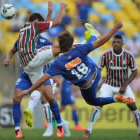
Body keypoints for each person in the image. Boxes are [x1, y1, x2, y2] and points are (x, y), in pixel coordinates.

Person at [20, 22, 134, 132]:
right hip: (96, 73)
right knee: (86, 47)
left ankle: (116, 99)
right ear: (71, 43)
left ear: (60, 46)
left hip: (87, 86)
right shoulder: (78, 49)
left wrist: (29, 90)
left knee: (93, 101)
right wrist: (115, 28)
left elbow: (42, 79)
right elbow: (101, 42)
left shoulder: (58, 63)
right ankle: (94, 35)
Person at [17, 2, 66, 138]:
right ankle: (83, 45)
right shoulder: (36, 29)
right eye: (41, 22)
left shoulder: (24, 30)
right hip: (35, 62)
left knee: (44, 94)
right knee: (60, 47)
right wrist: (61, 8)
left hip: (29, 66)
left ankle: (30, 109)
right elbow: (56, 22)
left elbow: (43, 28)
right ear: (37, 22)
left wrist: (49, 11)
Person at [82, 34, 140, 138]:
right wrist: (95, 84)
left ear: (122, 44)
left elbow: (134, 72)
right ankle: (88, 130)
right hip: (108, 84)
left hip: (124, 85)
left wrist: (125, 85)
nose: (116, 44)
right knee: (98, 105)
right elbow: (98, 70)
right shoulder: (106, 54)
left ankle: (139, 131)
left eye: (118, 42)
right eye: (114, 42)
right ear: (112, 43)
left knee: (133, 106)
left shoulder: (129, 55)